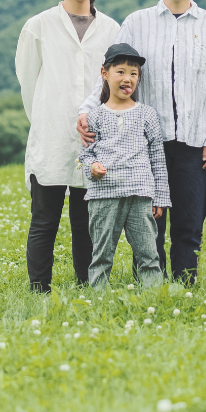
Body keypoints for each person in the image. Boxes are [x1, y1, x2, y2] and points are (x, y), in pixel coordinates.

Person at [78, 0, 206, 284]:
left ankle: (184, 288)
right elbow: (113, 72)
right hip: (145, 144)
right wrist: (88, 109)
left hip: (196, 141)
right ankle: (150, 288)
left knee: (189, 224)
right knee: (148, 223)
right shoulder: (137, 23)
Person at [15, 0, 121, 292]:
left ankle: (87, 284)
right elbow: (28, 83)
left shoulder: (111, 29)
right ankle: (38, 287)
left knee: (87, 220)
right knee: (44, 219)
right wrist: (49, 119)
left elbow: (115, 84)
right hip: (52, 135)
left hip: (95, 139)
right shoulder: (39, 26)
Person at [79, 43, 170, 288]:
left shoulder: (147, 114)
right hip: (104, 195)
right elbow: (85, 156)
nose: (127, 78)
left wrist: (160, 197)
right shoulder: (95, 116)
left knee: (148, 254)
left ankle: (154, 296)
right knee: (101, 254)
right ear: (104, 74)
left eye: (133, 73)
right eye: (120, 71)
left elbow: (158, 159)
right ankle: (97, 297)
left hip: (140, 195)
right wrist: (93, 168)